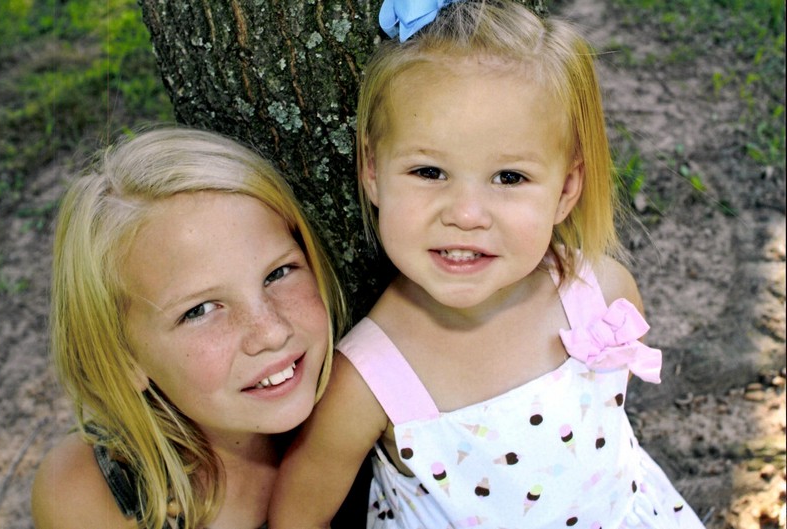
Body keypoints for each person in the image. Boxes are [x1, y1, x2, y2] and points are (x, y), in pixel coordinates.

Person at [269, 1, 706, 528]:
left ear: (567, 189)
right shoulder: (369, 377)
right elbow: (296, 516)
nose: (466, 214)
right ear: (373, 170)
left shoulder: (602, 295)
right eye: (429, 172)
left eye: (509, 178)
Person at [31, 126, 346, 529]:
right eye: (200, 310)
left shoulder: (372, 408)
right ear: (123, 357)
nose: (271, 332)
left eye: (278, 273)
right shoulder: (87, 496)